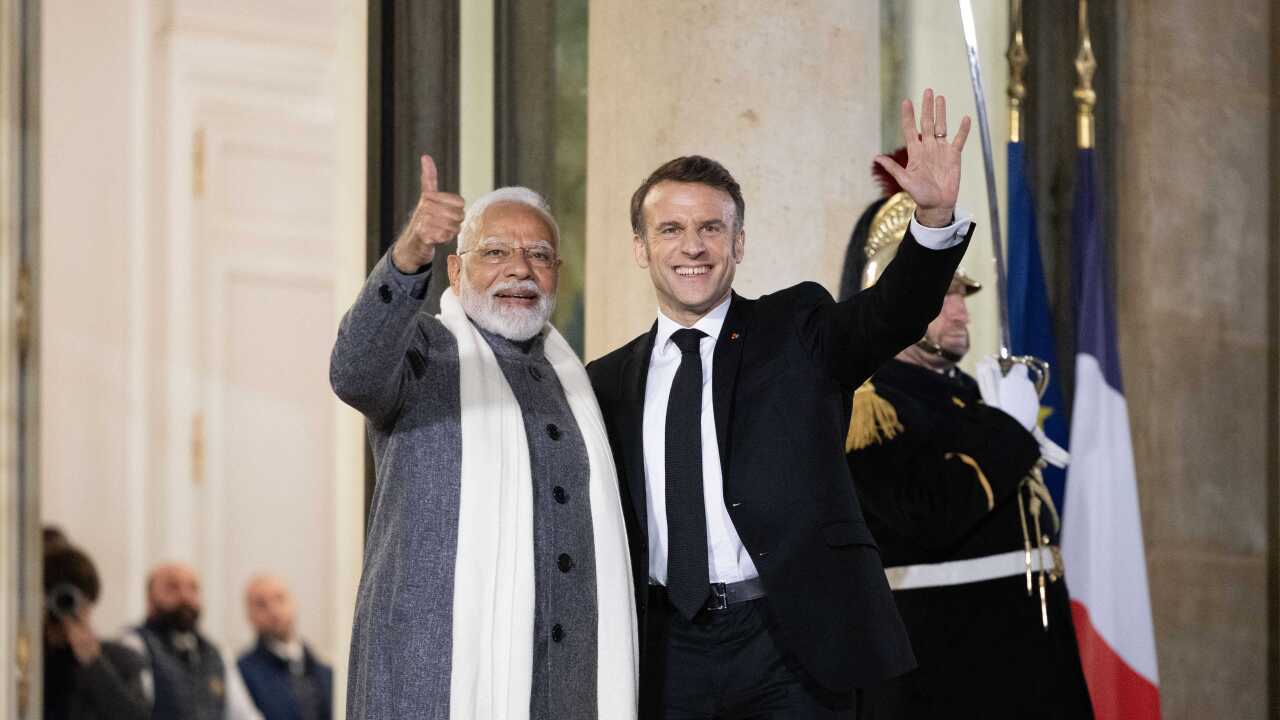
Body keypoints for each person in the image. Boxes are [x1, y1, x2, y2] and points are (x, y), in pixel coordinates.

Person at [587, 89, 973, 717]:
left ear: (738, 244)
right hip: (662, 649)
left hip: (788, 643)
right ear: (641, 248)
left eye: (712, 227)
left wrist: (933, 221)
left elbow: (894, 312)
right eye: (671, 229)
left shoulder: (798, 330)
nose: (694, 246)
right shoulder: (603, 382)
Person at [330, 154, 636, 719]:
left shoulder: (580, 387)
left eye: (538, 255)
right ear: (454, 271)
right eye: (495, 253)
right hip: (434, 681)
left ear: (557, 274)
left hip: (567, 691)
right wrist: (409, 253)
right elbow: (353, 372)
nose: (519, 269)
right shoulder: (423, 353)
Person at [840, 157, 1094, 719]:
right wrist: (1005, 430)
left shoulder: (966, 394)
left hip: (1022, 660)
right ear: (892, 293)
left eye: (962, 292)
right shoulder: (866, 405)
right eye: (944, 293)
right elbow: (930, 516)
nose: (960, 312)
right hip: (945, 672)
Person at [120, 563, 263, 720]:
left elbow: (243, 714)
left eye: (193, 588)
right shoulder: (134, 645)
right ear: (150, 598)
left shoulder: (216, 653)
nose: (185, 596)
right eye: (172, 587)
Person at [42, 541, 149, 720]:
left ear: (89, 602)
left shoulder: (122, 661)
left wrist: (94, 663)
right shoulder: (26, 660)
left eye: (71, 599)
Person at [237, 575, 333, 720]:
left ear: (293, 603)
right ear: (250, 615)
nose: (273, 610)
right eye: (261, 604)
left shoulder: (324, 672)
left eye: (279, 599)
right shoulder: (241, 674)